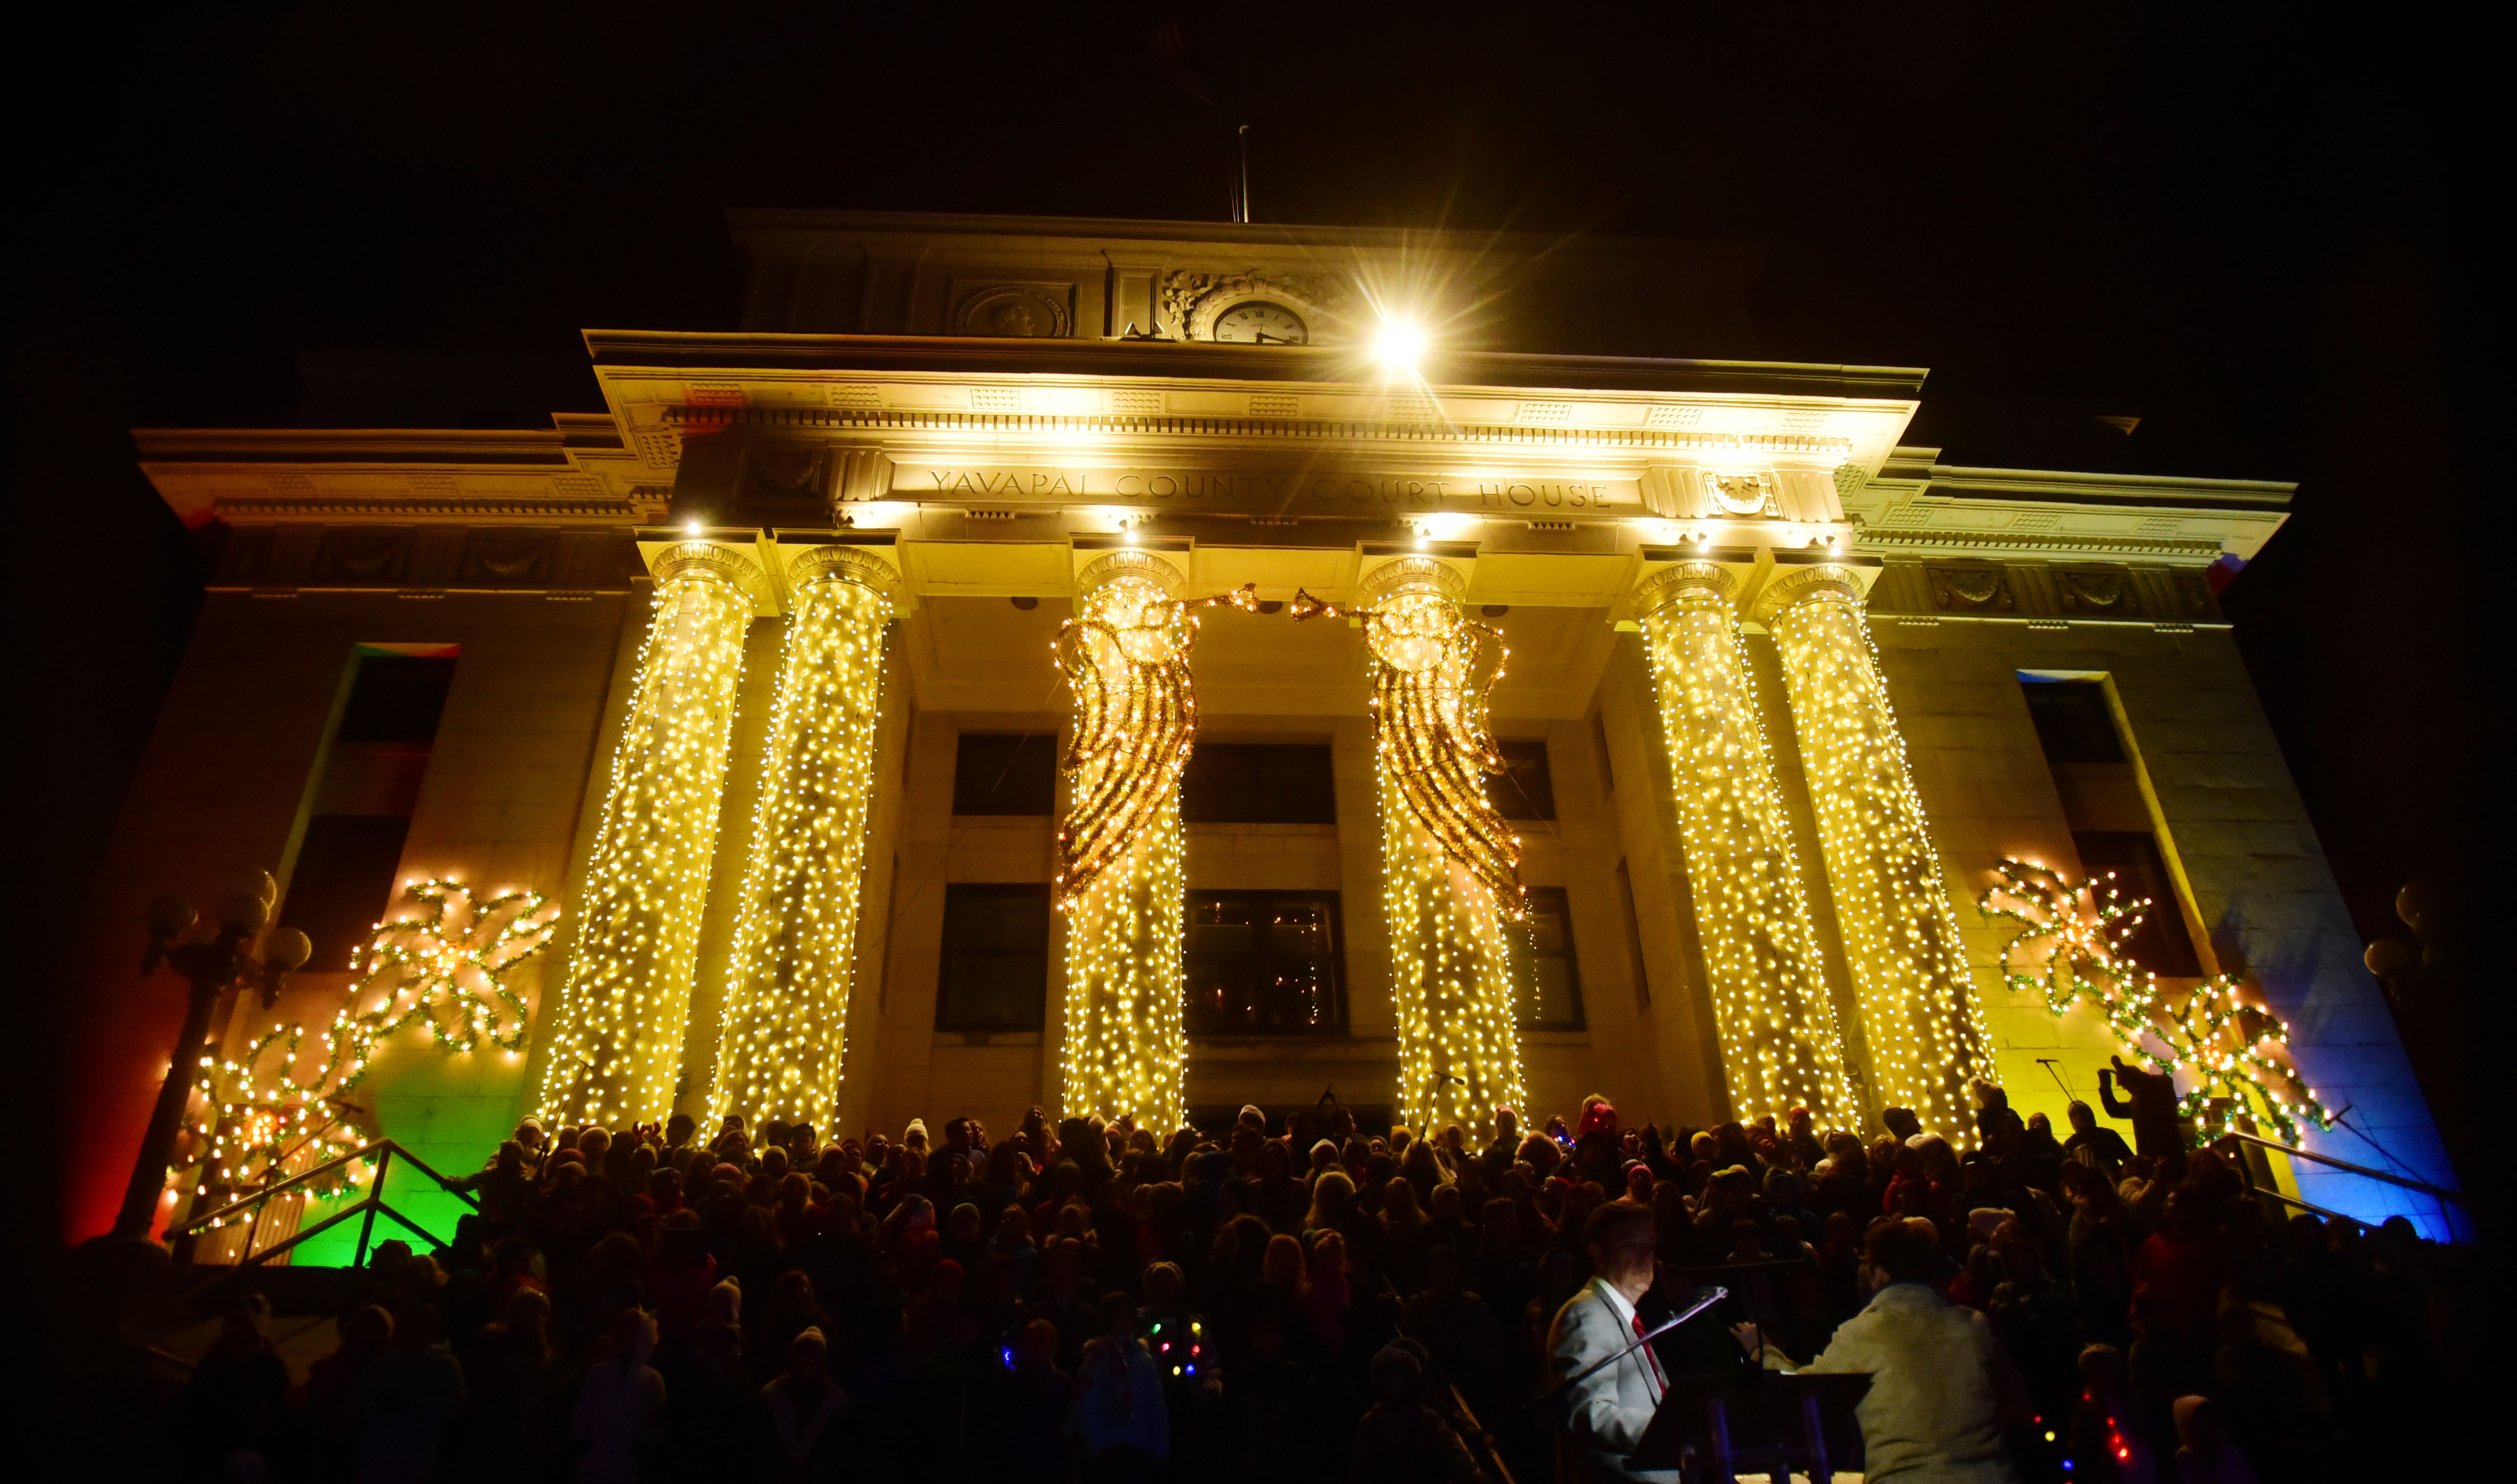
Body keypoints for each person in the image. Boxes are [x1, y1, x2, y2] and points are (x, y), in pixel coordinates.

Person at [1739, 1218, 2025, 1483]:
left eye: (1866, 1265)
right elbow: (2012, 1399)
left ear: (1879, 1273)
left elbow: (1804, 1391)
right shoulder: (1975, 1325)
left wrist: (1761, 1350)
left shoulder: (1863, 1333)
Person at [1073, 1288, 1168, 1482]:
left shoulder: (1142, 1357)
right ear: (1108, 1322)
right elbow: (1089, 1407)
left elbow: (1155, 1405)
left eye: (1129, 1318)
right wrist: (1094, 1449)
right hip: (1107, 1451)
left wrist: (1159, 1449)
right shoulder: (1097, 1358)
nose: (1126, 1324)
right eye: (1119, 1318)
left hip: (1139, 1448)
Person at [569, 1308, 666, 1484]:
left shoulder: (652, 1380)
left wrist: (642, 1449)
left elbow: (657, 1422)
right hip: (593, 1467)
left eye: (629, 1328)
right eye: (621, 1327)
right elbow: (581, 1413)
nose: (621, 1334)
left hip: (629, 1470)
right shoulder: (598, 1373)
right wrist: (581, 1444)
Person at [761, 1327, 848, 1484]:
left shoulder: (834, 1401)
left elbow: (836, 1449)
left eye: (814, 1355)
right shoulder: (772, 1396)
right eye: (803, 1354)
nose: (808, 1360)